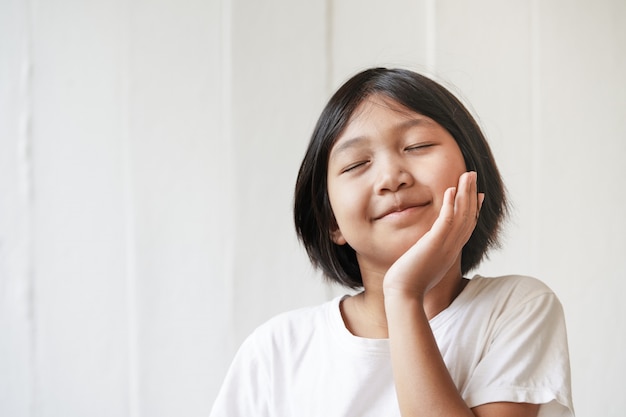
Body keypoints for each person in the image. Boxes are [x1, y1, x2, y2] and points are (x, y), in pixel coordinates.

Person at [210, 68, 574, 417]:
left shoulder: (516, 309)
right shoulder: (277, 351)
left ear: (472, 174)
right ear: (332, 222)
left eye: (417, 145)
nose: (391, 177)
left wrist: (403, 294)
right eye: (355, 165)